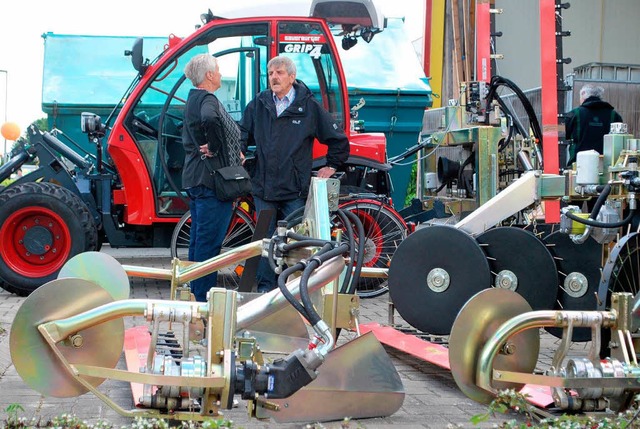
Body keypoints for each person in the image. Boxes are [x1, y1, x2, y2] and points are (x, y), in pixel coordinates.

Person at [239, 55, 350, 293]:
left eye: (279, 73)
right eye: (271, 74)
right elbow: (242, 131)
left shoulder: (308, 106)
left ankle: (297, 290)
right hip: (264, 188)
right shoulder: (258, 104)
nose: (274, 78)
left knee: (298, 241)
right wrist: (238, 150)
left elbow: (338, 140)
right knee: (266, 243)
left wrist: (331, 166)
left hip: (294, 190)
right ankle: (265, 292)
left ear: (292, 77)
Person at [182, 53, 242, 302]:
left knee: (198, 242)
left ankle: (194, 296)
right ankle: (202, 303)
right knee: (209, 246)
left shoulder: (193, 97)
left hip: (196, 178)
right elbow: (210, 118)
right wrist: (216, 147)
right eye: (217, 69)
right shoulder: (207, 98)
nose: (219, 73)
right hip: (210, 182)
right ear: (208, 75)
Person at [565, 83, 623, 166]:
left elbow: (556, 134)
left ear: (583, 94)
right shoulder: (614, 116)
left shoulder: (574, 114)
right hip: (607, 166)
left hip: (578, 165)